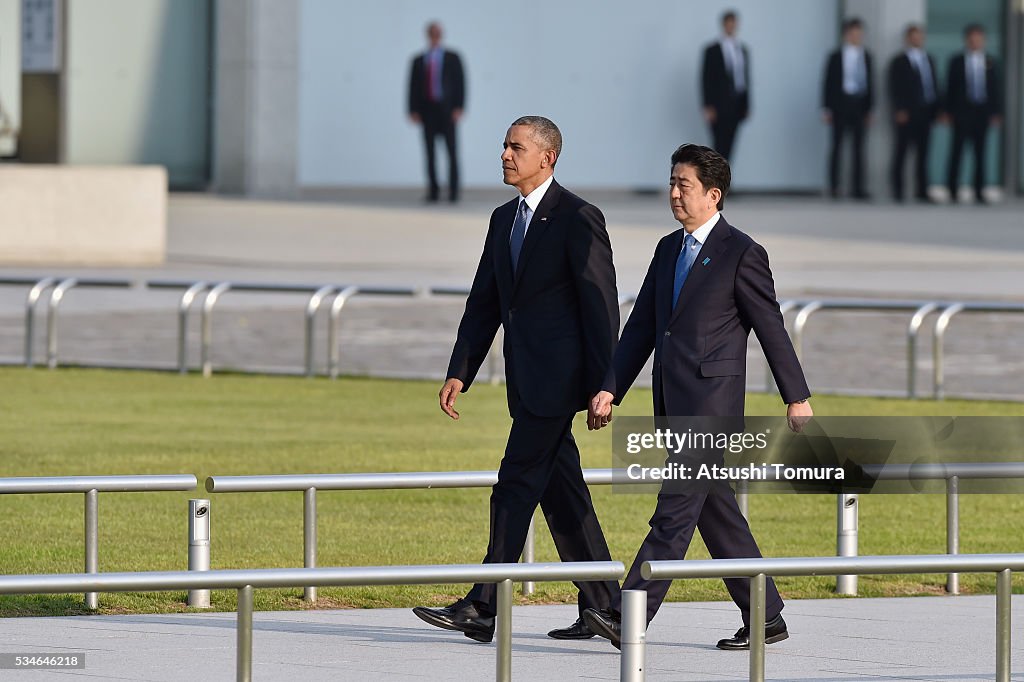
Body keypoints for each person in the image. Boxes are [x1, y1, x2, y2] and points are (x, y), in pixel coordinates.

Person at [582, 144, 813, 651]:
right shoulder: (669, 249)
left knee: (673, 512)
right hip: (672, 404)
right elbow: (642, 326)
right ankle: (766, 615)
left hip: (712, 408)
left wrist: (795, 396)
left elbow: (770, 327)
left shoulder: (742, 252)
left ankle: (629, 613)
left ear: (713, 194)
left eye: (683, 186)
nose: (673, 195)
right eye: (671, 183)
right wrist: (609, 386)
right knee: (716, 514)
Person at [412, 116, 621, 643]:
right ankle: (608, 608)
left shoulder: (578, 217)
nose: (505, 154)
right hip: (524, 383)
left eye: (516, 147)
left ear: (547, 158)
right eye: (504, 145)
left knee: (512, 489)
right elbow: (484, 302)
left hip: (559, 386)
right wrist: (461, 369)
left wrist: (606, 385)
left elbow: (600, 310)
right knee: (564, 496)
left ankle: (483, 606)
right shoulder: (503, 218)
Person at [407, 22, 465, 203]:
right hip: (427, 111)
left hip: (447, 111)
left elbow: (461, 83)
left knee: (451, 152)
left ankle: (454, 192)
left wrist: (459, 107)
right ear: (427, 35)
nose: (434, 36)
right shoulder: (418, 59)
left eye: (437, 33)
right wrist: (413, 110)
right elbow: (412, 86)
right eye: (431, 33)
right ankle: (433, 191)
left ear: (441, 35)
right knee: (430, 153)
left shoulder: (452, 57)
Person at [945, 24, 1001, 204]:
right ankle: (952, 189)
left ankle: (979, 190)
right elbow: (950, 88)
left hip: (982, 112)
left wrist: (996, 111)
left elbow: (995, 89)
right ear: (967, 39)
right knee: (957, 152)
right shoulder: (957, 61)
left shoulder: (990, 61)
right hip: (962, 112)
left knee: (981, 153)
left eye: (979, 38)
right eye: (972, 37)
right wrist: (947, 111)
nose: (975, 41)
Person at [822, 18, 874, 199]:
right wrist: (826, 109)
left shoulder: (866, 56)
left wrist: (869, 109)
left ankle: (858, 188)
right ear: (846, 34)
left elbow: (870, 84)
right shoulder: (836, 56)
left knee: (859, 148)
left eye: (859, 33)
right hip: (840, 104)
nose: (856, 36)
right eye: (853, 33)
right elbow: (827, 83)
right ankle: (834, 187)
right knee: (837, 146)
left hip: (859, 104)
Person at [888, 25, 939, 203]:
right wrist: (899, 109)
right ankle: (898, 191)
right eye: (914, 36)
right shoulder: (899, 61)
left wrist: (936, 111)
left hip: (925, 112)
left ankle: (922, 190)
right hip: (907, 113)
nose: (917, 39)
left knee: (923, 154)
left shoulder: (929, 59)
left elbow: (933, 86)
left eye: (920, 36)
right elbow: (894, 87)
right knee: (901, 152)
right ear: (907, 39)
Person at [701, 10, 750, 161]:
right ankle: (716, 180)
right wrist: (708, 105)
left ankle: (725, 181)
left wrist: (746, 104)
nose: (731, 26)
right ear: (723, 25)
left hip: (736, 104)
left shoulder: (742, 50)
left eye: (733, 23)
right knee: (718, 145)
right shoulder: (712, 50)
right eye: (728, 23)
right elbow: (706, 78)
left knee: (730, 145)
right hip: (718, 104)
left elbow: (745, 78)